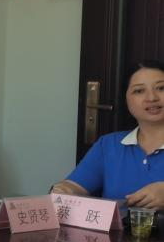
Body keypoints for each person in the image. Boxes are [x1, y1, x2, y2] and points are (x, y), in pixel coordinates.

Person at [53, 60, 164, 208]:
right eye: (139, 91)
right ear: (126, 99)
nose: (152, 98)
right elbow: (75, 186)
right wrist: (62, 191)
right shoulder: (108, 145)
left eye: (161, 88)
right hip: (118, 225)